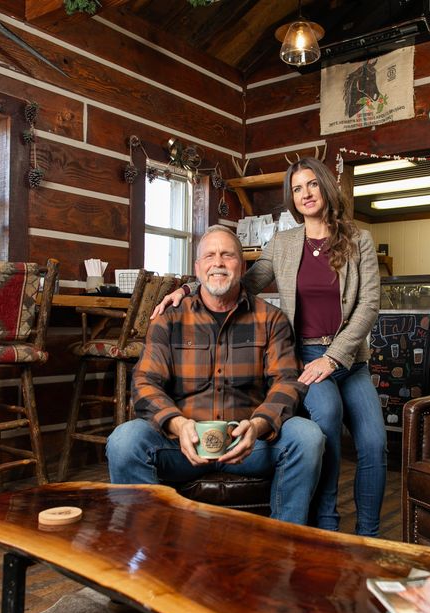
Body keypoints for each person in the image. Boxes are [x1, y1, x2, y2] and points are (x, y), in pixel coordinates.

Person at [154, 157, 386, 536]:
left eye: (312, 185)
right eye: (297, 189)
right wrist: (187, 290)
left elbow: (369, 305)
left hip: (347, 359)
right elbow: (239, 283)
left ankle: (370, 536)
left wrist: (334, 357)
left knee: (375, 444)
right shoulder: (283, 243)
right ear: (291, 199)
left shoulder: (358, 239)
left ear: (326, 188)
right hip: (306, 357)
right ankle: (324, 525)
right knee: (324, 422)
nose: (306, 194)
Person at [106, 225, 324, 525]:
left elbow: (287, 381)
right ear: (197, 268)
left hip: (249, 445)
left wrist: (259, 426)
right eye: (209, 255)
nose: (218, 263)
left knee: (307, 436)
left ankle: (283, 543)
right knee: (123, 441)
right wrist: (178, 424)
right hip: (183, 446)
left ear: (242, 265)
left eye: (227, 255)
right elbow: (145, 383)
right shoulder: (169, 319)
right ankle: (152, 544)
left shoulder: (271, 319)